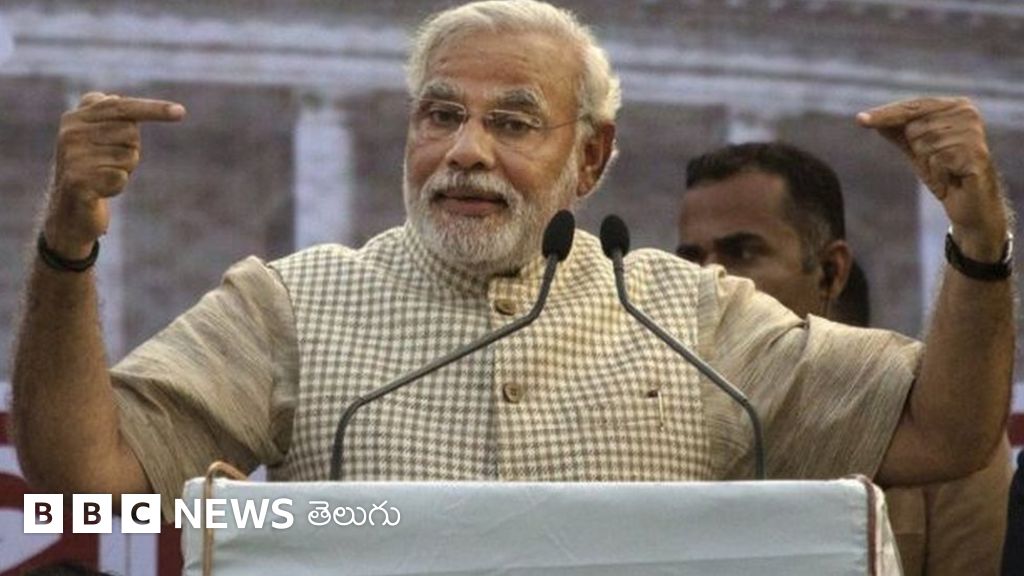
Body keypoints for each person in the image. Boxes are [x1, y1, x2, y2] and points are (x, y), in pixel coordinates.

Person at [11, 0, 1014, 526]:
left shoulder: (692, 317)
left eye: (514, 122)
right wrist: (67, 250)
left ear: (591, 159)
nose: (465, 151)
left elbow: (947, 431)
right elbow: (85, 476)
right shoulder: (290, 302)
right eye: (440, 115)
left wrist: (977, 248)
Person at [676, 141, 1013, 576]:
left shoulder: (943, 421)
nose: (710, 280)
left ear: (830, 272)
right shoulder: (663, 418)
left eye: (743, 253)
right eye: (690, 260)